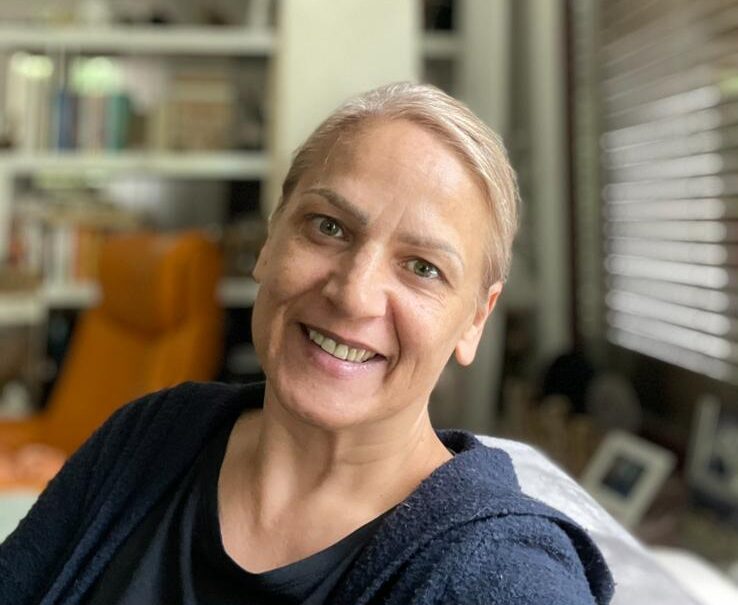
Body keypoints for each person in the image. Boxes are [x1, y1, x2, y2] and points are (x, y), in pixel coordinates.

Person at [0, 82, 613, 605]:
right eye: (329, 227)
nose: (353, 295)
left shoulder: (501, 572)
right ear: (270, 241)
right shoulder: (150, 434)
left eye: (423, 267)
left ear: (476, 320)